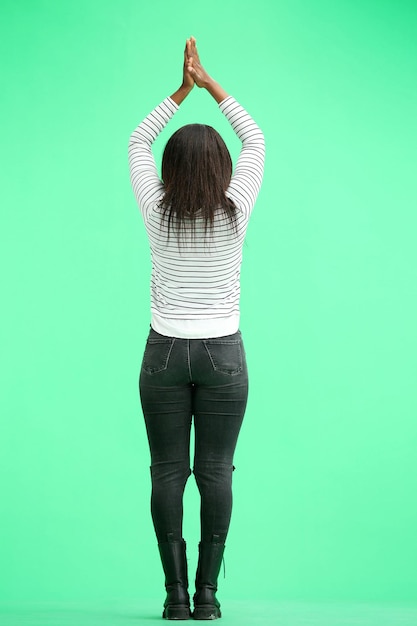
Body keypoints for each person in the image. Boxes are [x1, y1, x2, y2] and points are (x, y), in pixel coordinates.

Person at [128, 37, 265, 620]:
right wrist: (211, 84)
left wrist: (181, 91)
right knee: (215, 474)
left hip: (163, 355)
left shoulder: (156, 208)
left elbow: (137, 140)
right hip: (224, 358)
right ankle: (208, 596)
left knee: (167, 473)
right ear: (222, 169)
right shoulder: (236, 209)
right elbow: (255, 138)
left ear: (170, 168)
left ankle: (175, 595)